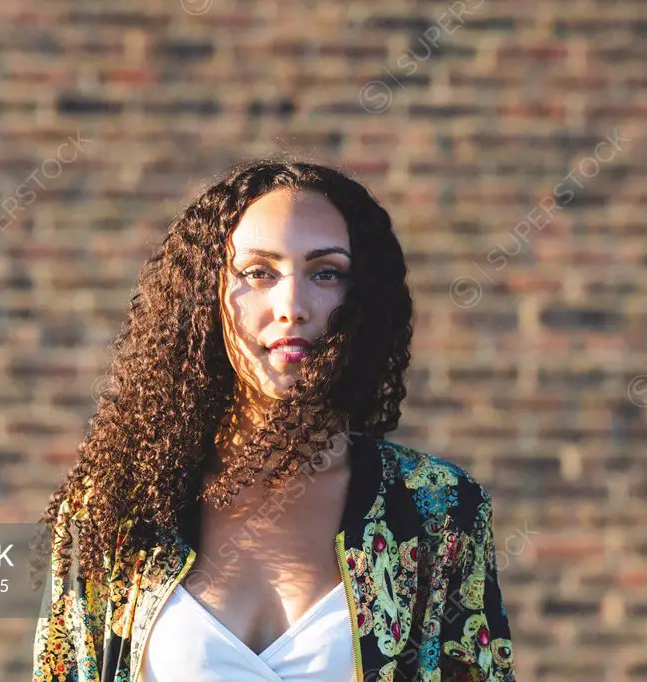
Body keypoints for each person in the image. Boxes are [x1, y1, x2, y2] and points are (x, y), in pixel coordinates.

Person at [30, 158, 516, 682]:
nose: (292, 305)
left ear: (364, 298)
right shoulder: (118, 507)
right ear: (205, 297)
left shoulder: (440, 508)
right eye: (258, 272)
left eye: (326, 272)